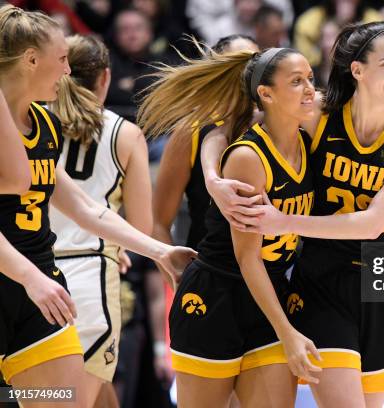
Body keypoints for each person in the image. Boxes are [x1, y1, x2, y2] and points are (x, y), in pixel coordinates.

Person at [204, 21, 384, 408]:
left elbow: (372, 222)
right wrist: (213, 178)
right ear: (358, 70)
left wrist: (283, 221)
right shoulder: (320, 115)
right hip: (324, 276)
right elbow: (228, 125)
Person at [0, 5, 195, 402]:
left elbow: (86, 208)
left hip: (46, 287)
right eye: (61, 60)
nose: (67, 72)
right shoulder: (123, 133)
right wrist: (29, 277)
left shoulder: (45, 122)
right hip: (33, 277)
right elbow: (19, 180)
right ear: (31, 60)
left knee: (59, 399)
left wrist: (161, 252)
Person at [138, 44, 322, 407]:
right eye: (298, 81)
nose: (310, 90)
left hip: (270, 291)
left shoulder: (307, 134)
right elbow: (245, 256)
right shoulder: (244, 152)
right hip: (216, 291)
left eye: (311, 80)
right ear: (263, 91)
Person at [46, 34, 152, 408]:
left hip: (30, 269)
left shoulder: (31, 122)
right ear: (105, 78)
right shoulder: (124, 133)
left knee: (40, 394)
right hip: (88, 280)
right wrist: (117, 244)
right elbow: (142, 224)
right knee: (68, 399)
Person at [153, 34, 259, 251]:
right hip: (210, 271)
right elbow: (158, 224)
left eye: (255, 62)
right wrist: (177, 273)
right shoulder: (191, 131)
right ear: (217, 71)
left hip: (272, 270)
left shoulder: (277, 122)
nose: (248, 70)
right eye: (239, 63)